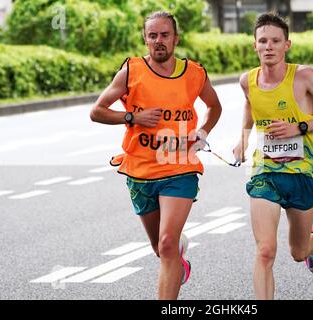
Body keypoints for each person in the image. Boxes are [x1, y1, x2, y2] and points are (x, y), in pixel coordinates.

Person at [90, 11, 222, 300]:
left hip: (179, 168)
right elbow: (97, 111)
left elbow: (214, 106)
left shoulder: (194, 72)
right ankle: (177, 260)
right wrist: (132, 117)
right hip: (139, 170)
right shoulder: (131, 70)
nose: (159, 41)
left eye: (164, 35)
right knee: (161, 249)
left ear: (176, 38)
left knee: (166, 243)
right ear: (145, 39)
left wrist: (202, 133)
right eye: (153, 36)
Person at [233, 13, 313, 300]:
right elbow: (250, 106)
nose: (268, 46)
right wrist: (243, 140)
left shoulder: (304, 76)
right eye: (263, 41)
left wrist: (300, 127)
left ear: (287, 45)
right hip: (265, 172)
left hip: (302, 173)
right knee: (265, 250)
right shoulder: (248, 81)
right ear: (254, 46)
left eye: (275, 41)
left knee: (297, 253)